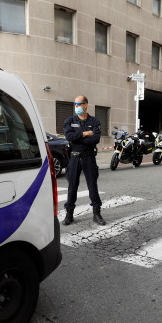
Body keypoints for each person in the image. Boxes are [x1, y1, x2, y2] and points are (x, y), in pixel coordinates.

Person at [62, 94, 104, 226]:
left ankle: (96, 214)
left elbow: (95, 139)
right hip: (74, 157)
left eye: (78, 104)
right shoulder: (70, 120)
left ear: (85, 105)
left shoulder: (94, 122)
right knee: (72, 186)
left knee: (92, 185)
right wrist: (85, 133)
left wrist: (77, 136)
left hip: (89, 157)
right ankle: (69, 215)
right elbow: (69, 136)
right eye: (75, 104)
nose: (76, 107)